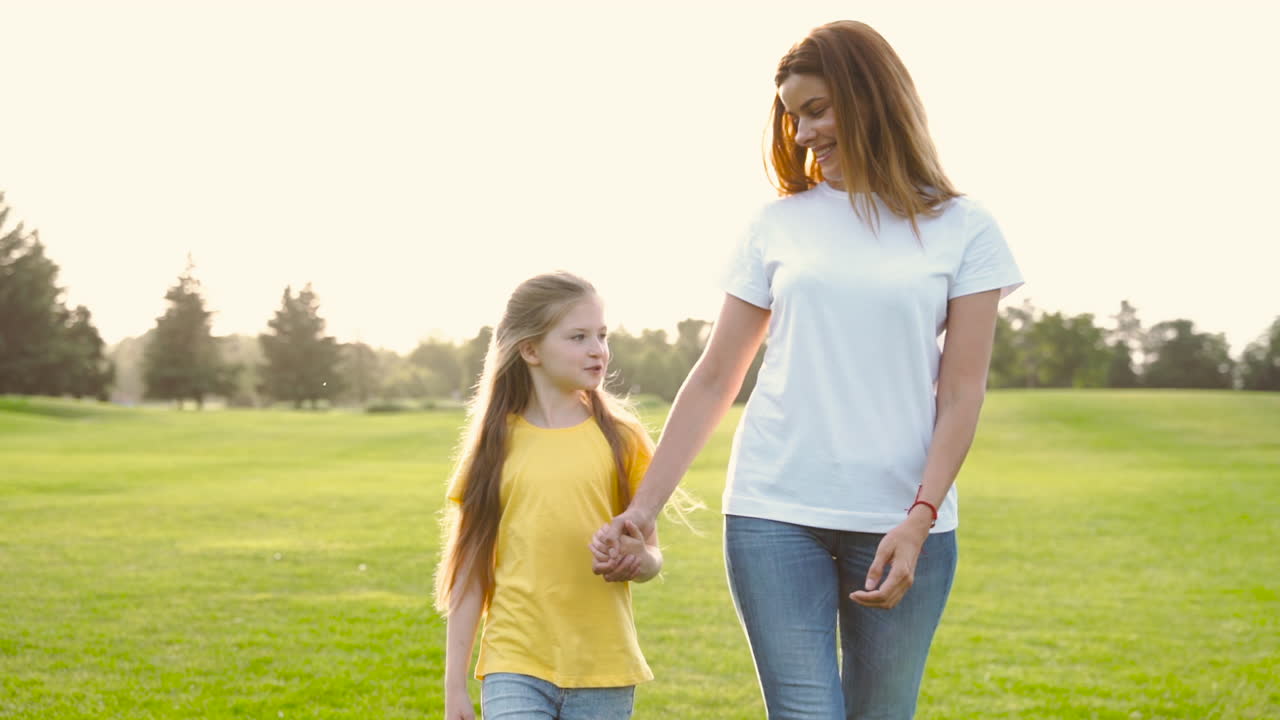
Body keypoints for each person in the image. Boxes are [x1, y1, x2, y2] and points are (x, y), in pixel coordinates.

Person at [592, 20, 1024, 720]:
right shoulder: (777, 224)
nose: (801, 134)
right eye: (792, 118)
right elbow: (715, 376)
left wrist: (918, 518)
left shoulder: (965, 228)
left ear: (871, 97)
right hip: (774, 510)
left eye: (816, 111)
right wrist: (644, 508)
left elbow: (962, 387)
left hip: (904, 521)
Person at [436, 271, 665, 720]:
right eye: (578, 337)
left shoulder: (623, 438)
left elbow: (653, 556)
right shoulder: (493, 445)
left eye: (602, 335)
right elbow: (469, 571)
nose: (598, 350)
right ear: (531, 350)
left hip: (604, 669)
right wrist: (453, 689)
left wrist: (640, 560)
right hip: (514, 661)